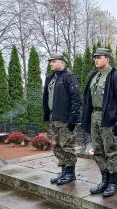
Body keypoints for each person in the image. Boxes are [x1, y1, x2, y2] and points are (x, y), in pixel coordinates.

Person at [81, 48, 117, 197]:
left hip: (108, 117)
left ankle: (113, 183)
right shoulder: (94, 75)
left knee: (111, 150)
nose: (96, 59)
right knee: (98, 150)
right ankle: (104, 180)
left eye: (99, 57)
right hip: (95, 115)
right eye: (94, 57)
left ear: (107, 59)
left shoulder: (114, 75)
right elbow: (88, 98)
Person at [43, 54, 81, 185]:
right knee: (56, 146)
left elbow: (76, 100)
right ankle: (64, 171)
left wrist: (72, 119)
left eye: (53, 61)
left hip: (65, 119)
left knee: (67, 146)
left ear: (63, 62)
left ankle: (70, 173)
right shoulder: (51, 77)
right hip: (53, 118)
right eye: (50, 62)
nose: (50, 64)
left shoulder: (69, 77)